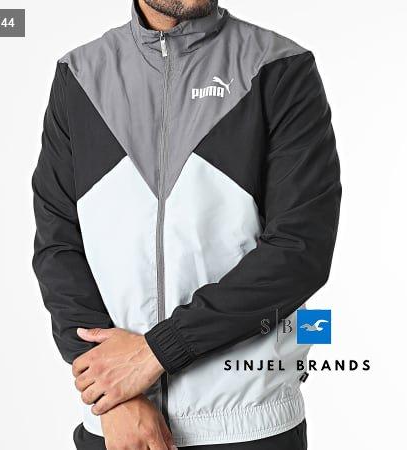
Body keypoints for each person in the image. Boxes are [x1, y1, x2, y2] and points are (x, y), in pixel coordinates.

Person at [32, 0, 341, 448]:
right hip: (118, 428)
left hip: (247, 424)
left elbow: (300, 251)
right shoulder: (79, 75)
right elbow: (57, 245)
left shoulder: (279, 68)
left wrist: (157, 351)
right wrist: (112, 395)